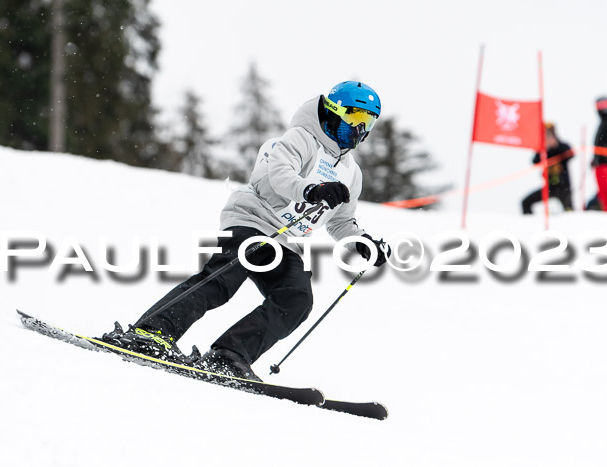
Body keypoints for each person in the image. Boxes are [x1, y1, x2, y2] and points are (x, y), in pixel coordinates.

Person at [101, 81, 391, 381]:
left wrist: (362, 243)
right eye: (355, 117)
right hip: (251, 220)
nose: (360, 129)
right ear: (334, 112)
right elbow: (280, 176)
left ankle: (230, 354)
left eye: (368, 122)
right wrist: (313, 190)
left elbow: (341, 221)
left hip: (285, 242)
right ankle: (151, 333)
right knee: (223, 279)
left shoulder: (351, 173)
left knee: (296, 299)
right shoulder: (302, 138)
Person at [521, 123, 574, 214]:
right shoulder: (544, 151)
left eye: (549, 134)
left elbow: (571, 154)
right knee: (525, 202)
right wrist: (545, 148)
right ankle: (529, 224)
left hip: (564, 187)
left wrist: (555, 145)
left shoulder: (562, 147)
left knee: (569, 211)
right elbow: (535, 161)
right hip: (550, 188)